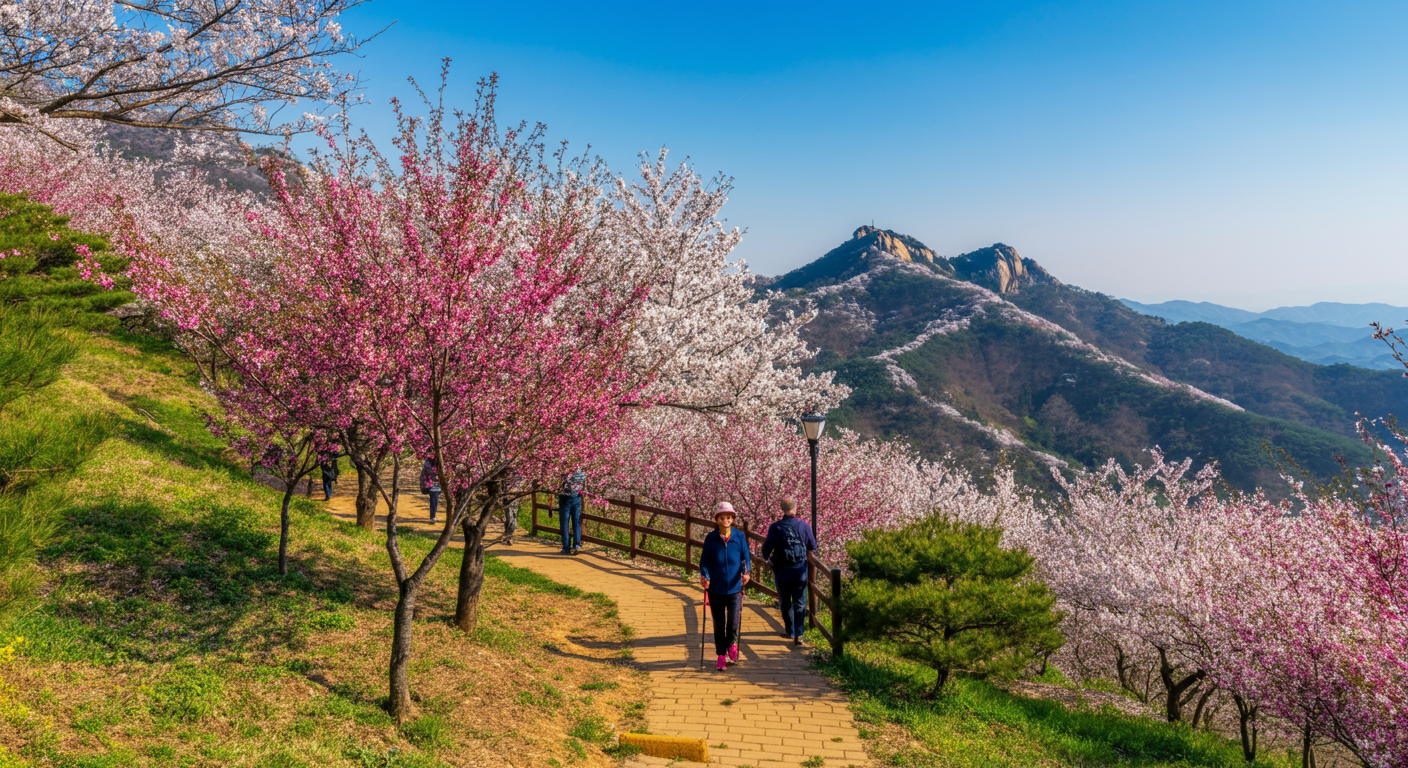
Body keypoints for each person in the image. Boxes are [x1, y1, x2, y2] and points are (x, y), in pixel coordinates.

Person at [699, 502, 751, 671]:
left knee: (734, 622)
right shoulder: (711, 538)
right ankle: (721, 655)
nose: (726, 520)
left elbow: (745, 559)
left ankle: (731, 645)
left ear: (732, 519)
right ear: (717, 519)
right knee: (719, 623)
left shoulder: (739, 537)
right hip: (716, 589)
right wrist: (705, 576)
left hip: (735, 588)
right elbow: (704, 562)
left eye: (729, 517)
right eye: (723, 517)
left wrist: (746, 572)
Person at [761, 496, 818, 646]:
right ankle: (799, 633)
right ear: (795, 507)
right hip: (800, 570)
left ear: (782, 509)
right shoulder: (803, 526)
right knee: (799, 602)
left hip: (782, 571)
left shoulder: (775, 527)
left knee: (785, 601)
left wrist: (768, 560)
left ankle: (789, 630)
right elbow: (813, 546)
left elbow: (766, 550)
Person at [558, 468, 586, 554]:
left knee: (564, 523)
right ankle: (577, 545)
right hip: (577, 497)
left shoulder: (563, 469)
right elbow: (584, 479)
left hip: (565, 497)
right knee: (576, 522)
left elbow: (559, 482)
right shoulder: (579, 470)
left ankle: (566, 547)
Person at [420, 456, 441, 523]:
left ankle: (433, 516)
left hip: (438, 481)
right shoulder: (430, 459)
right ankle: (433, 516)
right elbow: (428, 471)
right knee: (434, 496)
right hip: (431, 482)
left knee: (434, 497)